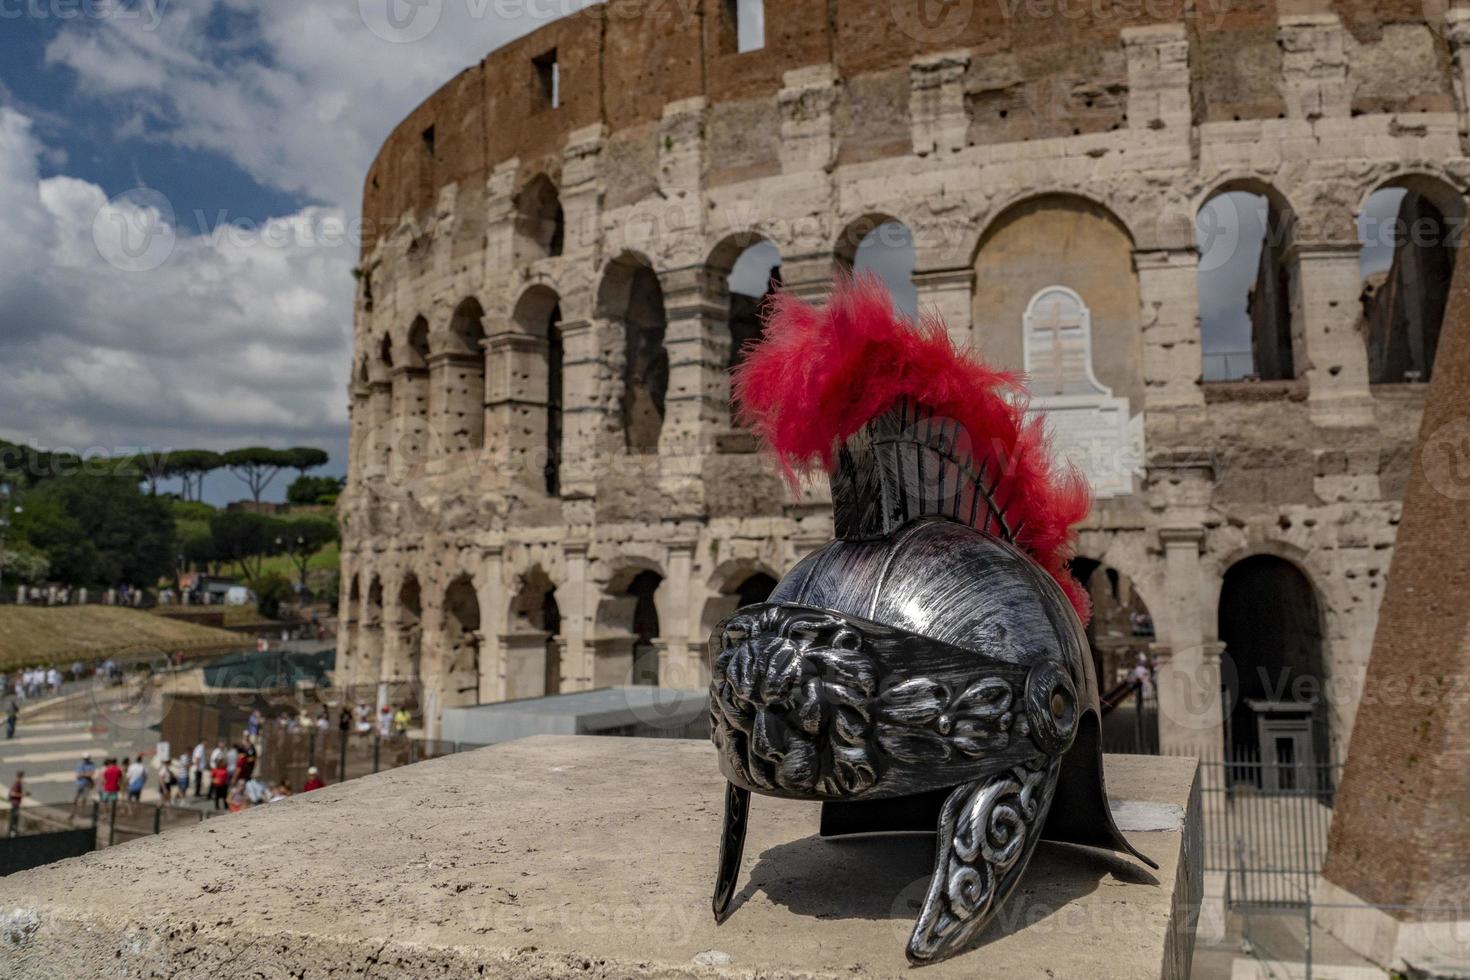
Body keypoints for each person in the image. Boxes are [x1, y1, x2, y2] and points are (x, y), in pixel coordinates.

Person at [8, 772, 25, 837]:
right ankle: (12, 832)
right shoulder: (17, 784)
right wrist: (21, 795)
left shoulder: (17, 783)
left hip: (15, 803)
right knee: (14, 818)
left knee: (15, 818)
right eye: (22, 777)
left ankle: (13, 832)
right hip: (15, 803)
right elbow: (12, 793)